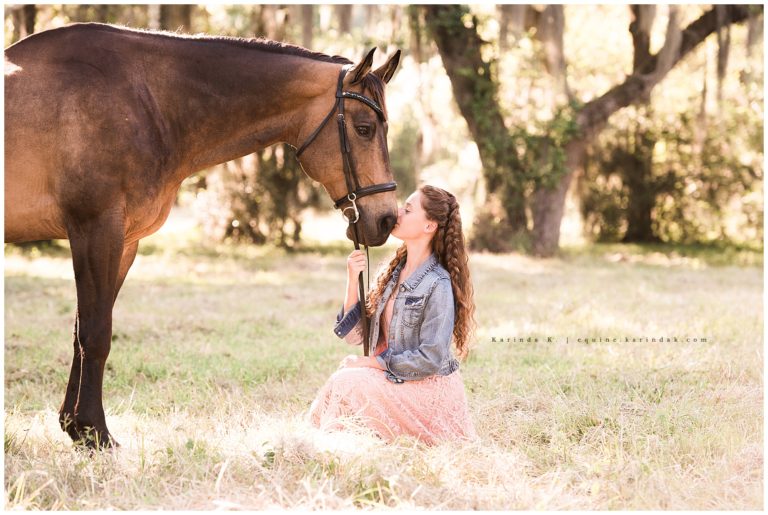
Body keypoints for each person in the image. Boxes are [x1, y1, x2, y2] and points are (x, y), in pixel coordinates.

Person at [308, 185, 478, 445]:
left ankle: (326, 445)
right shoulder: (393, 273)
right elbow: (355, 337)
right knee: (345, 376)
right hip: (397, 379)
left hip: (426, 391)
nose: (398, 212)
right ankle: (318, 443)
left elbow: (430, 359)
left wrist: (372, 363)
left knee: (348, 380)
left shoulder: (437, 283)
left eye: (408, 210)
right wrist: (352, 280)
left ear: (429, 226)